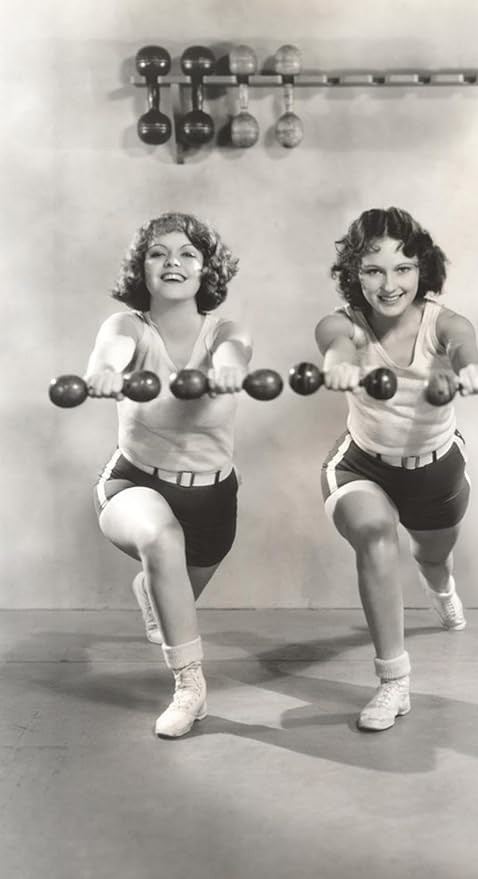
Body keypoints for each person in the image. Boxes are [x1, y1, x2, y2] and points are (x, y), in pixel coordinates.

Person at [316, 206, 478, 732]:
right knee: (375, 533)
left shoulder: (445, 321)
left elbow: (465, 346)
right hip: (361, 465)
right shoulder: (342, 321)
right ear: (355, 274)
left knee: (433, 556)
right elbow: (335, 346)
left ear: (423, 270)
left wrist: (475, 367)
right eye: (373, 270)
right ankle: (394, 683)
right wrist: (338, 366)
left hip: (436, 469)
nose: (389, 283)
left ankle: (441, 590)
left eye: (403, 268)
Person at [86, 212, 251, 739]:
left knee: (175, 579)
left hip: (213, 496)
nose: (173, 262)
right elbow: (108, 355)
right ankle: (190, 686)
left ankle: (151, 591)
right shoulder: (127, 326)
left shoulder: (227, 330)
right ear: (143, 267)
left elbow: (234, 354)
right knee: (161, 537)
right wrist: (106, 374)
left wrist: (228, 372)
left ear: (207, 269)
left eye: (187, 254)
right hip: (135, 482)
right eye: (159, 253)